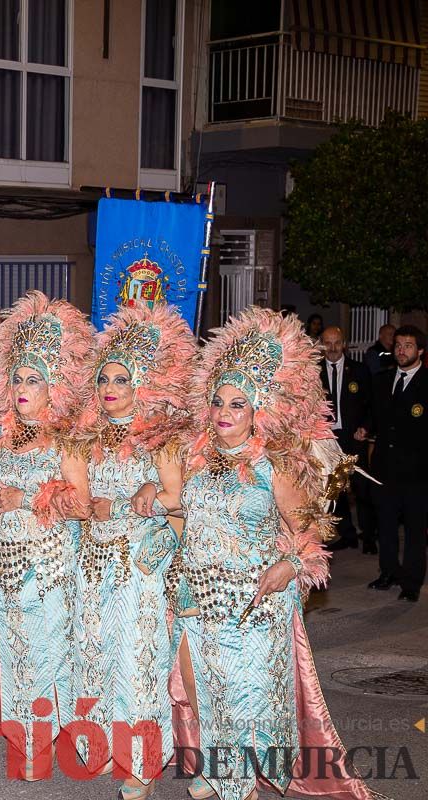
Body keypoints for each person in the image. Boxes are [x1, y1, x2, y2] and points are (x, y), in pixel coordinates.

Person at [161, 306, 371, 800]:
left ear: (258, 410)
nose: (225, 413)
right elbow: (184, 515)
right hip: (197, 596)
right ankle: (220, 771)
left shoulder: (273, 466)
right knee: (204, 693)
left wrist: (291, 564)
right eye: (218, 402)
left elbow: (310, 532)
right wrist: (152, 498)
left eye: (238, 403)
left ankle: (244, 784)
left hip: (253, 603)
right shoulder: (194, 458)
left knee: (246, 700)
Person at [70, 302, 196, 799]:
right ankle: (101, 746)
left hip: (142, 564)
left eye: (121, 379)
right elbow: (78, 499)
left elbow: (177, 496)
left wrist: (136, 494)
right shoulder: (86, 436)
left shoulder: (161, 438)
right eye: (104, 378)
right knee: (93, 652)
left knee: (137, 658)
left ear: (141, 383)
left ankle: (142, 761)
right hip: (94, 560)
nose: (110, 388)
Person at [0, 291, 93, 776]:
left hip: (46, 561)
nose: (23, 387)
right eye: (18, 378)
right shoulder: (0, 434)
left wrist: (25, 500)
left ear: (54, 388)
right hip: (1, 559)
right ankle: (31, 734)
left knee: (41, 649)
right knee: (7, 648)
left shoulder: (66, 437)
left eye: (34, 380)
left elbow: (82, 504)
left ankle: (38, 745)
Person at [359, 325, 428, 602]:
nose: (401, 350)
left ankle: (411, 582)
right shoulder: (382, 380)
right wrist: (365, 428)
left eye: (408, 345)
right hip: (385, 470)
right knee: (385, 525)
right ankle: (388, 572)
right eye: (398, 345)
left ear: (420, 350)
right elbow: (374, 415)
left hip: (417, 473)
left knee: (414, 530)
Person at [319, 326, 373, 552]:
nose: (332, 348)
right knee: (335, 491)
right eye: (327, 343)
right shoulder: (313, 372)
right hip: (327, 439)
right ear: (321, 345)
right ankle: (348, 534)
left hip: (353, 437)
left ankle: (369, 538)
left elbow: (372, 404)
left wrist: (365, 427)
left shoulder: (359, 371)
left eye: (336, 342)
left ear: (344, 344)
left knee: (362, 490)